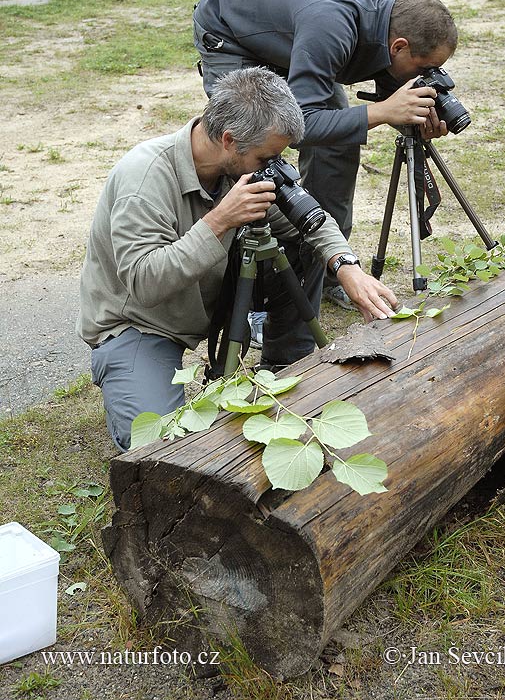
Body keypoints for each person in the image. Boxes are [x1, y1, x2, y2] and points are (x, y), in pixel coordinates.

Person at [77, 67, 398, 452]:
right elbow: (144, 283)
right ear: (230, 140)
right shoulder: (144, 179)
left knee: (311, 249)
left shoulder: (240, 166)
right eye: (268, 156)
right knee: (160, 444)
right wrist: (219, 220)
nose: (278, 166)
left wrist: (345, 266)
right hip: (139, 323)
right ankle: (122, 372)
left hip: (206, 304)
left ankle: (285, 368)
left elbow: (309, 222)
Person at [193, 0, 458, 311]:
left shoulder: (402, 13)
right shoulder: (332, 23)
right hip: (233, 32)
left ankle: (329, 268)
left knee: (338, 142)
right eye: (423, 69)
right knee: (249, 154)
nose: (424, 77)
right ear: (399, 46)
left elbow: (371, 93)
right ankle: (252, 296)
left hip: (299, 36)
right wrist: (382, 111)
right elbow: (300, 126)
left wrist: (412, 113)